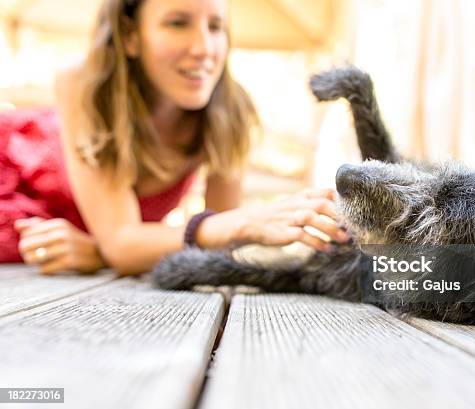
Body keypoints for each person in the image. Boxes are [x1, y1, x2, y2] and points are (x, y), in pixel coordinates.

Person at [0, 0, 349, 275]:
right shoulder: (84, 83)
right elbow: (125, 242)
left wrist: (103, 251)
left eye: (216, 27)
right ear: (130, 36)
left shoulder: (230, 112)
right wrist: (106, 251)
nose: (203, 48)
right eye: (177, 23)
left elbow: (217, 245)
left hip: (56, 239)